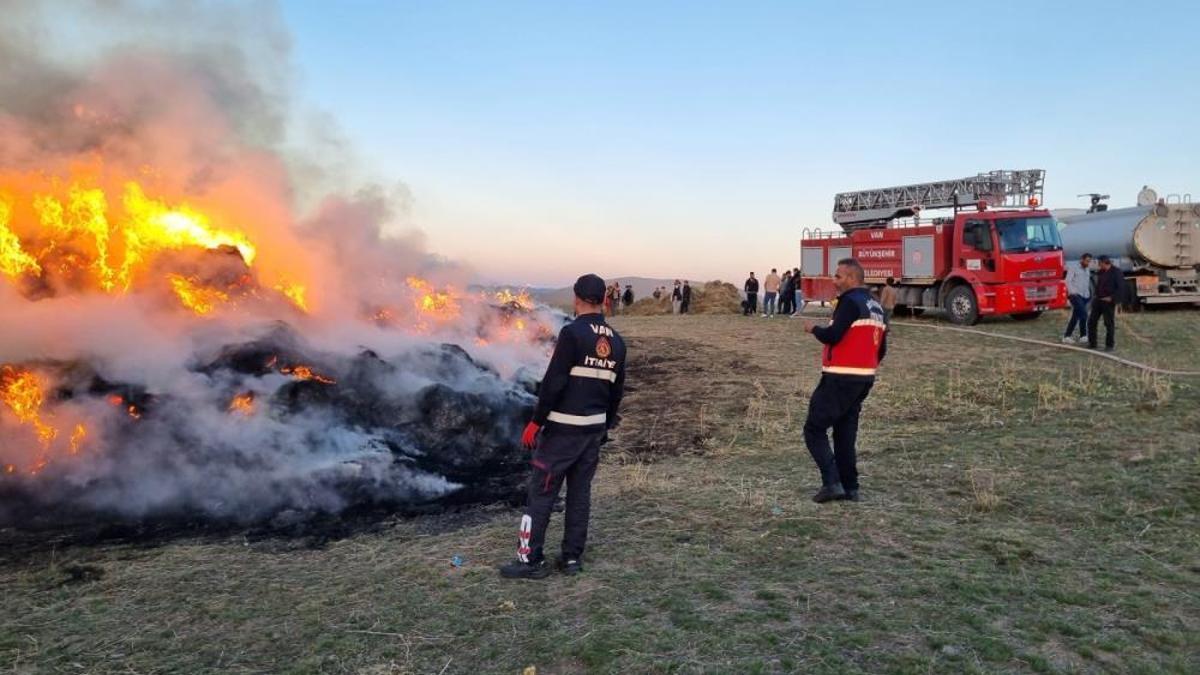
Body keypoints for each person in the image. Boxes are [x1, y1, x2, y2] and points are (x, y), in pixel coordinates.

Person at [499, 274, 627, 579]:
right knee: (579, 494)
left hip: (562, 432)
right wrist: (603, 428)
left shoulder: (572, 334)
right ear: (604, 300)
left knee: (542, 493)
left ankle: (530, 561)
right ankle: (571, 559)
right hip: (592, 431)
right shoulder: (617, 342)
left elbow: (554, 382)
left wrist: (536, 421)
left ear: (577, 298)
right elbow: (616, 393)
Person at [801, 258, 887, 503]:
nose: (834, 281)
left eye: (838, 276)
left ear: (851, 278)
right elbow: (882, 348)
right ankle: (851, 487)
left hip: (840, 376)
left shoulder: (849, 301)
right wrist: (866, 365)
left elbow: (833, 335)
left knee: (814, 429)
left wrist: (813, 329)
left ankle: (832, 483)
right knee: (844, 433)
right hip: (864, 378)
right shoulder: (876, 306)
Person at [1087, 255, 1121, 352]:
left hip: (1108, 301)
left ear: (1104, 262)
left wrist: (1112, 298)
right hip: (1098, 300)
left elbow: (1120, 287)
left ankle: (1109, 345)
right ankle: (1092, 343)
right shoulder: (1101, 272)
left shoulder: (1116, 272)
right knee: (1091, 321)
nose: (1098, 265)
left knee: (1109, 323)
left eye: (1099, 263)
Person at [1063, 253, 1092, 343]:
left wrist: (1088, 294)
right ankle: (1072, 335)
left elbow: (1086, 282)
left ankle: (1079, 336)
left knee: (1076, 316)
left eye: (1089, 261)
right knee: (1083, 314)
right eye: (1086, 261)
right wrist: (1072, 292)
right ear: (1082, 259)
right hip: (1075, 295)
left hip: (1085, 295)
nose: (1088, 263)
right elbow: (1067, 281)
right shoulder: (1074, 268)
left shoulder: (1087, 269)